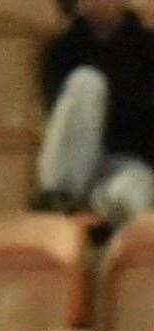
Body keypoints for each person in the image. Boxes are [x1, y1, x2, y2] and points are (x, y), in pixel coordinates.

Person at [34, 0, 154, 226]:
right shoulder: (62, 50)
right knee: (86, 81)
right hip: (72, 159)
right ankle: (62, 198)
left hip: (127, 159)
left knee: (128, 195)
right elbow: (60, 116)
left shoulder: (147, 47)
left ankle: (97, 217)